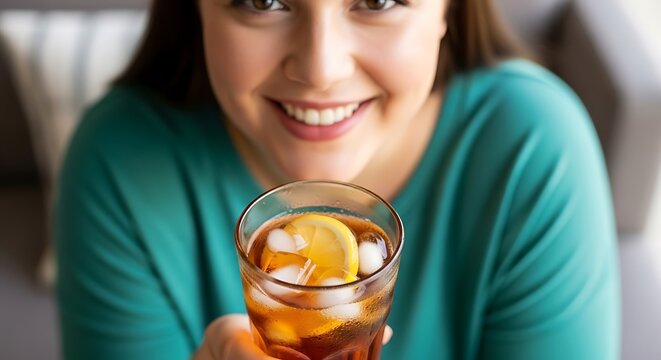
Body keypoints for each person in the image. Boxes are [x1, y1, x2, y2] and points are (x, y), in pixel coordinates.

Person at [54, 0, 620, 359]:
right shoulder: (116, 160)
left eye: (377, 0)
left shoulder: (534, 147)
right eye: (264, 0)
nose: (321, 69)